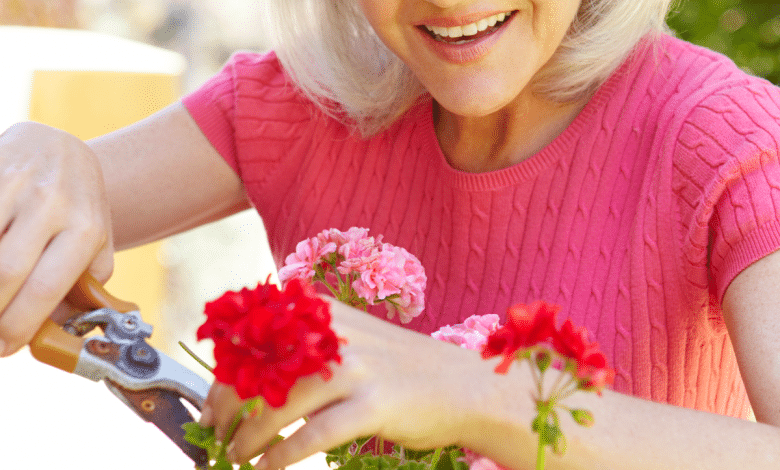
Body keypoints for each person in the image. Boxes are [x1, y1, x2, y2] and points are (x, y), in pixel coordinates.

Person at [1, 0, 780, 468]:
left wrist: (476, 395)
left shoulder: (724, 138)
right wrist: (43, 155)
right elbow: (54, 205)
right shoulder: (307, 108)